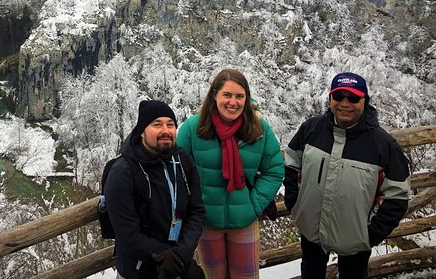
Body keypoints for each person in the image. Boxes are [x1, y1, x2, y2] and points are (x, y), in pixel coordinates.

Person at [284, 72, 411, 279]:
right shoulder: (311, 129)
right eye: (338, 96)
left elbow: (398, 195)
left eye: (353, 98)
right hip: (311, 229)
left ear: (365, 101)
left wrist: (370, 234)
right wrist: (295, 203)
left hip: (355, 241)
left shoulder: (383, 146)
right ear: (330, 99)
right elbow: (291, 162)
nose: (345, 103)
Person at [176, 68, 284, 279]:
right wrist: (196, 206)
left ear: (247, 98)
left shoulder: (258, 128)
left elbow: (274, 170)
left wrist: (253, 205)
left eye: (239, 96)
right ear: (214, 94)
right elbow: (179, 173)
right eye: (227, 95)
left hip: (244, 221)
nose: (233, 102)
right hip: (207, 223)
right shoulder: (192, 129)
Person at [105, 100, 206, 279]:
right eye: (156, 124)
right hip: (138, 271)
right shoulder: (123, 172)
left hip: (177, 267)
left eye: (171, 124)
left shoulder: (183, 161)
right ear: (142, 131)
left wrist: (181, 256)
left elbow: (196, 211)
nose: (165, 130)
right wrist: (174, 259)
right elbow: (129, 235)